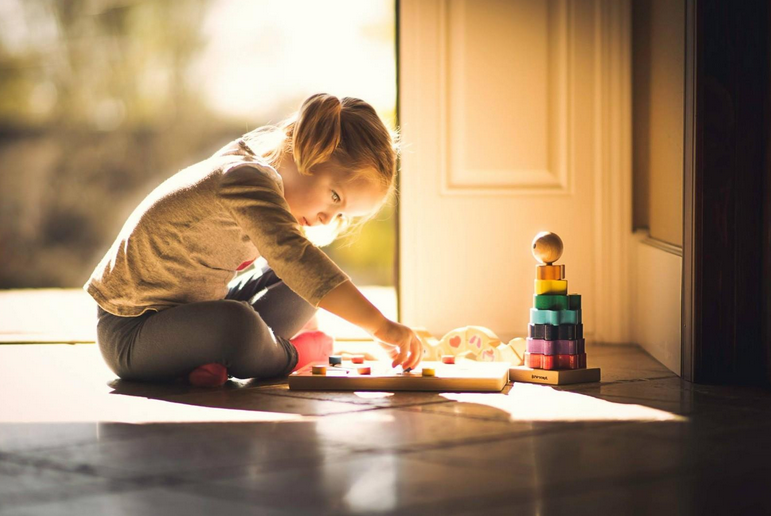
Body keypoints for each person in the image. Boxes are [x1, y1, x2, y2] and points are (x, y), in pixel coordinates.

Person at [85, 93, 422, 387]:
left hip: (193, 314)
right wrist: (379, 326)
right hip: (132, 332)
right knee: (240, 323)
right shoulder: (245, 178)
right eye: (335, 197)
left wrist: (306, 320)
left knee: (302, 286)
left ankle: (209, 361)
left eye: (342, 215)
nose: (327, 219)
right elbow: (295, 259)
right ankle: (291, 356)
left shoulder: (256, 170)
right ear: (308, 148)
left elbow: (299, 273)